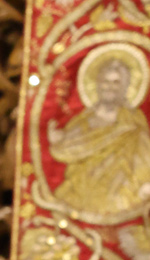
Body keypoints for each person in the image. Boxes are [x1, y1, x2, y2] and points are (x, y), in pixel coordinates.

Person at [49, 51, 150, 219]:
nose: (110, 87)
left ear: (125, 87)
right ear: (97, 84)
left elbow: (145, 160)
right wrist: (57, 141)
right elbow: (66, 149)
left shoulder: (133, 124)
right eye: (105, 81)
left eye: (116, 82)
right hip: (79, 195)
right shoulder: (81, 121)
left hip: (121, 197)